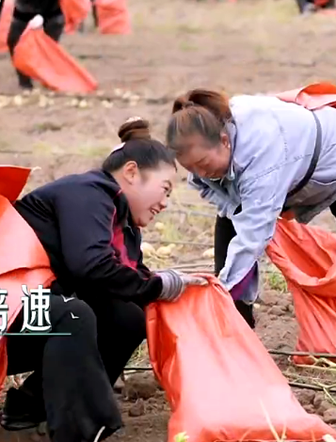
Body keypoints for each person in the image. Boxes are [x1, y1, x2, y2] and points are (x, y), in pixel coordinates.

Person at [2, 117, 206, 441]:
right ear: (131, 172)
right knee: (72, 316)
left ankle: (28, 410)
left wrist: (183, 291)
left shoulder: (123, 226)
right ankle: (78, 433)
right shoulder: (88, 192)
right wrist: (159, 285)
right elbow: (91, 265)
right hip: (6, 312)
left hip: (27, 316)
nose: (166, 202)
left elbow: (131, 281)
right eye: (165, 188)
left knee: (125, 318)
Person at [163, 89, 336, 342]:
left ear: (223, 140)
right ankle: (234, 336)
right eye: (191, 167)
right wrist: (232, 214)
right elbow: (215, 193)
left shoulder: (261, 150)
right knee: (228, 248)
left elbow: (254, 236)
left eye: (203, 164)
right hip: (282, 173)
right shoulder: (209, 147)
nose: (200, 173)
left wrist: (220, 290)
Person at [7, 0, 65, 90]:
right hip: (23, 12)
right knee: (14, 42)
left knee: (48, 50)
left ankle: (48, 80)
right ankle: (25, 82)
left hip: (52, 13)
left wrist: (42, 16)